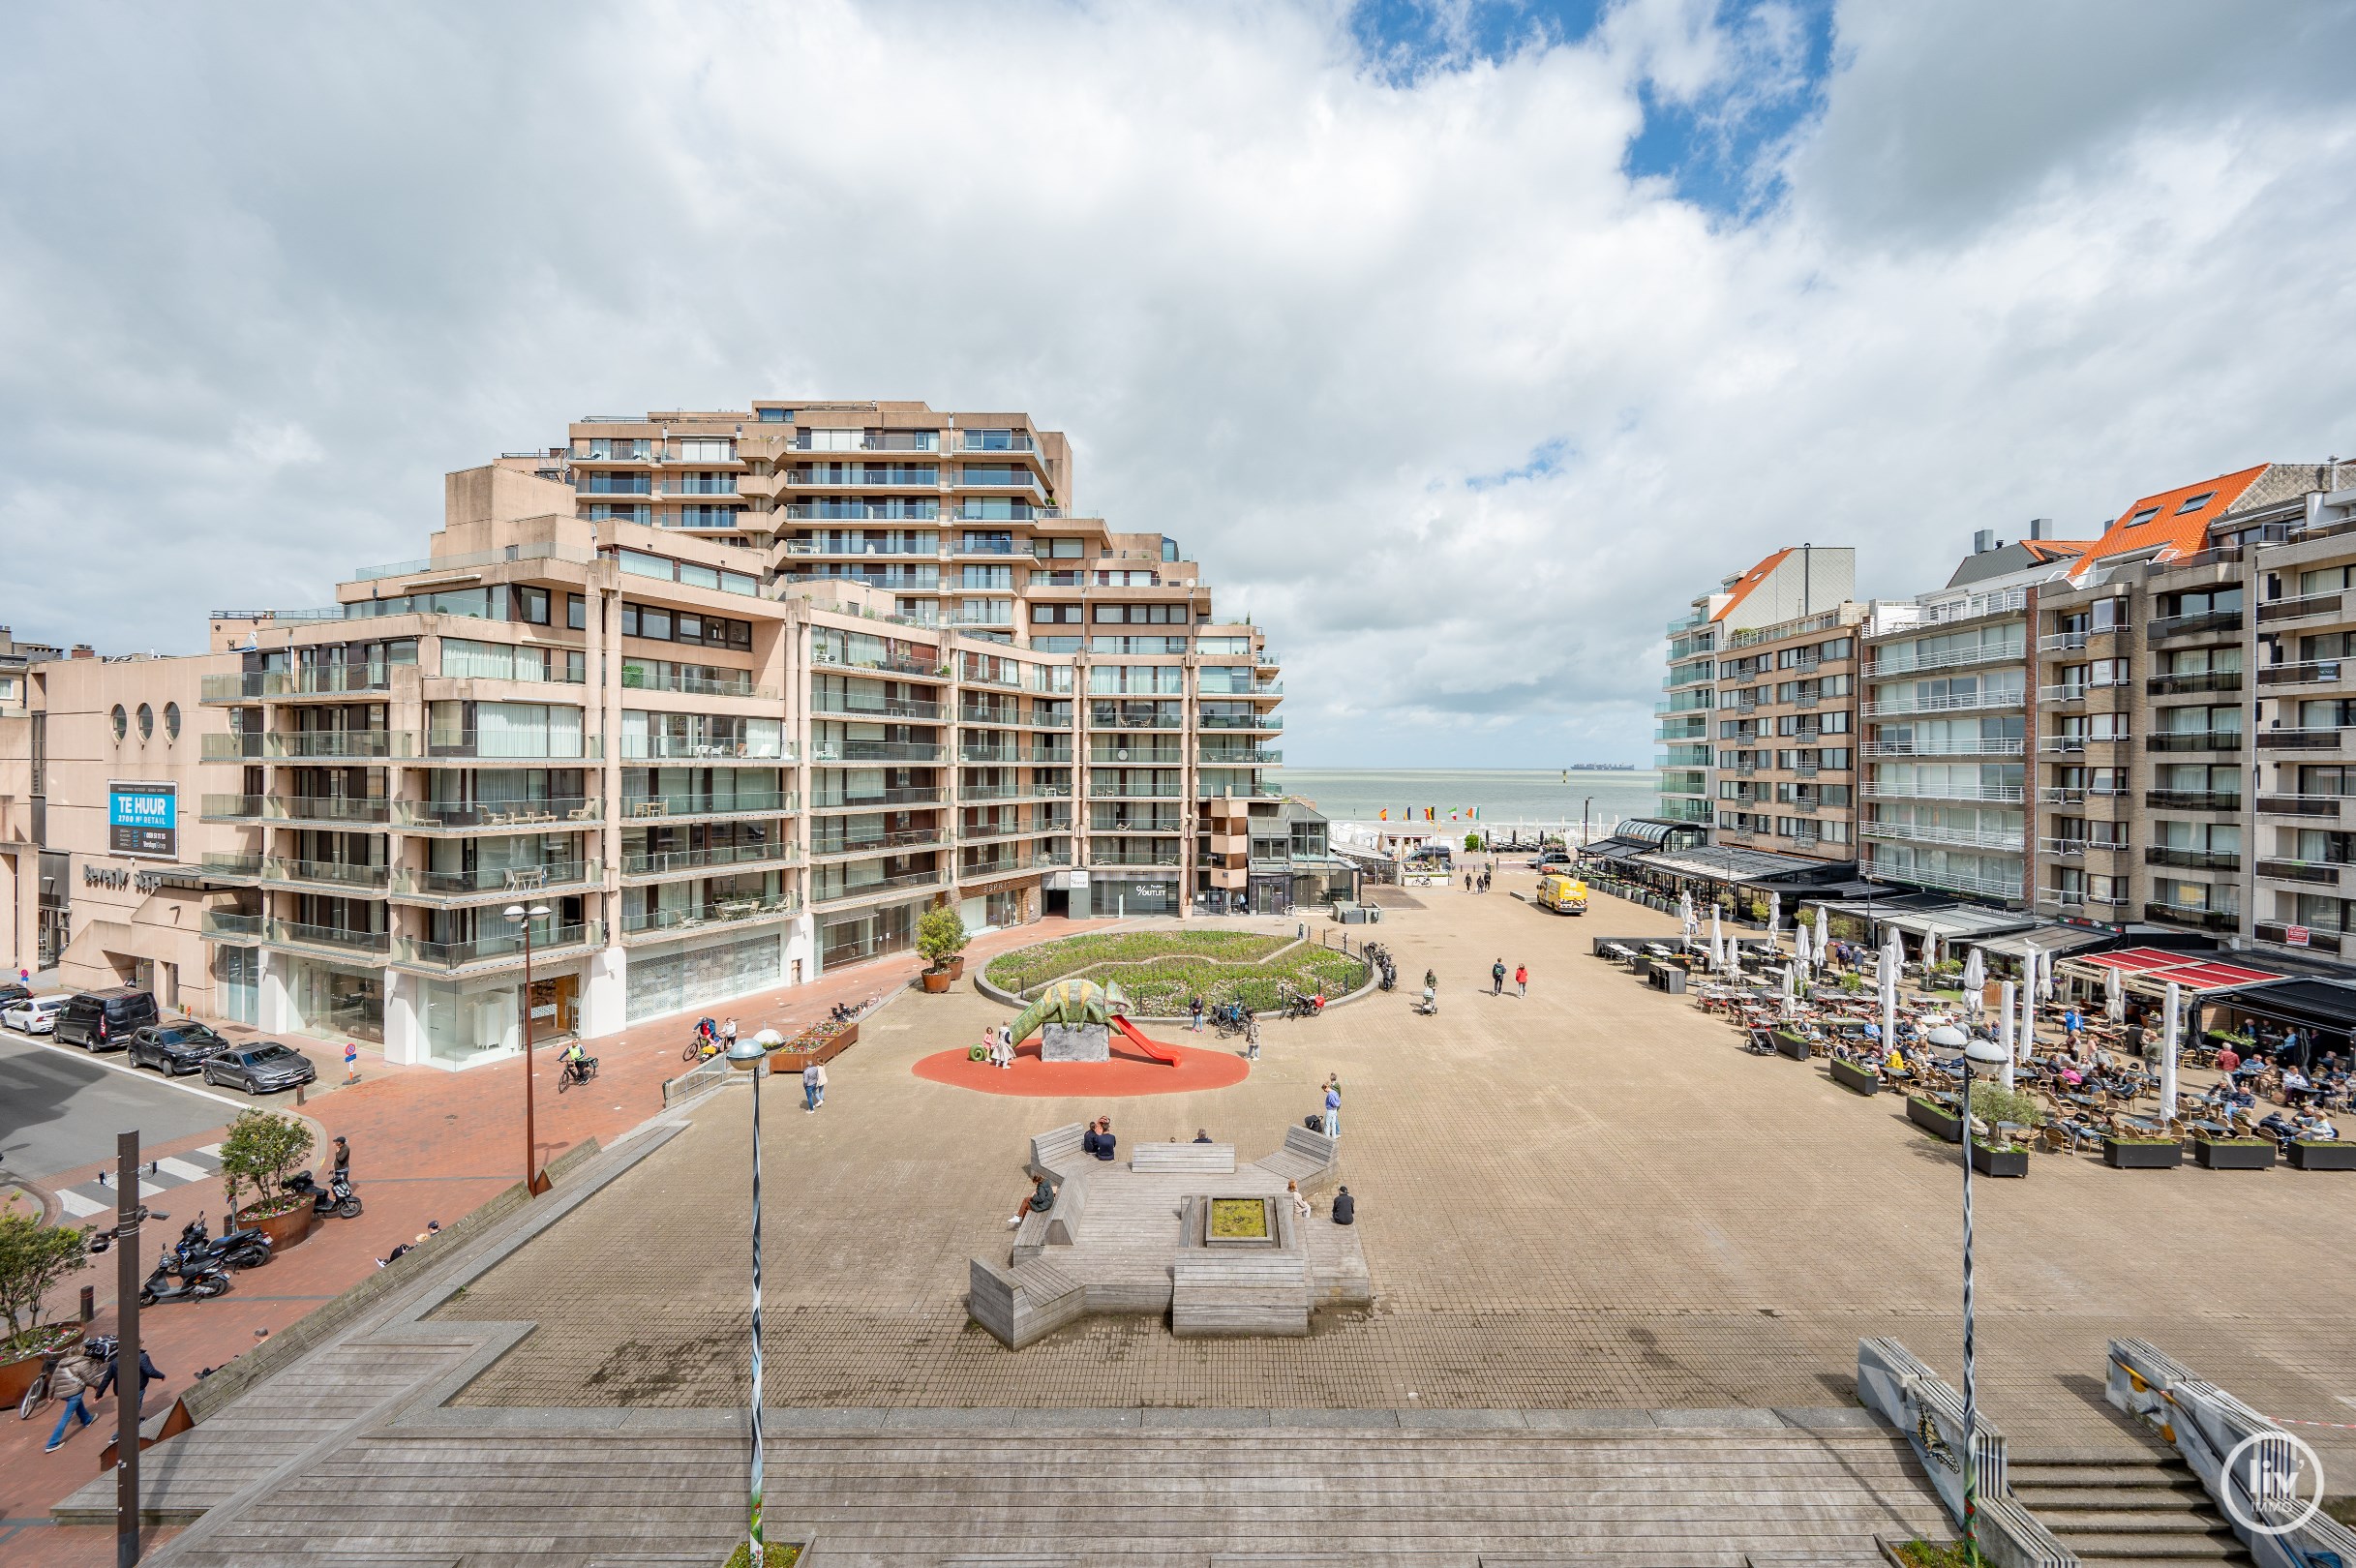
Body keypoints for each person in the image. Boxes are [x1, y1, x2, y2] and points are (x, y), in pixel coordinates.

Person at [44, 1345, 105, 1452]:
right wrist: (99, 1388)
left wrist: (51, 1395)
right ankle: (52, 1444)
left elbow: (53, 1380)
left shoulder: (61, 1363)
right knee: (66, 1417)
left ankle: (87, 1420)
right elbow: (90, 1379)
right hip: (75, 1392)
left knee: (77, 1403)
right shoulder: (83, 1363)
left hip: (62, 1394)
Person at [89, 1343, 166, 1410]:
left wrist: (98, 1395)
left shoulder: (115, 1361)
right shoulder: (142, 1357)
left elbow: (106, 1379)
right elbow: (150, 1371)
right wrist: (161, 1376)